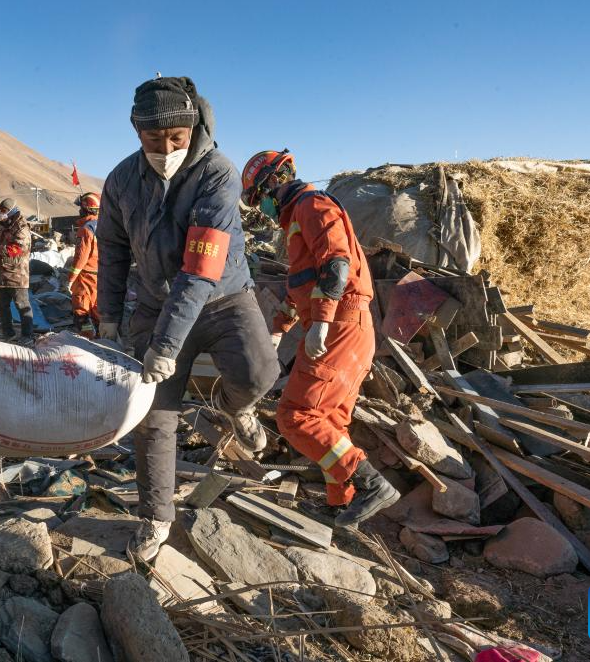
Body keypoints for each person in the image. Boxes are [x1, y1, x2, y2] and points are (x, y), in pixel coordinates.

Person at [97, 77, 279, 561]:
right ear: (137, 133)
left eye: (176, 137)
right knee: (154, 416)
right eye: (153, 140)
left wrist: (167, 346)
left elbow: (201, 268)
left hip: (223, 298)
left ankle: (236, 407)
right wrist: (110, 319)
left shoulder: (218, 173)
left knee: (261, 373)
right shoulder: (120, 180)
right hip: (155, 305)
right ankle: (155, 517)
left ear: (193, 125)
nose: (166, 148)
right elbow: (112, 254)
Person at [241, 149, 400, 526]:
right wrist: (281, 327)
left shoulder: (311, 206)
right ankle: (338, 503)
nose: (260, 206)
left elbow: (336, 263)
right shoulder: (297, 218)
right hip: (350, 328)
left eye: (257, 197)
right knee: (330, 421)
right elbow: (304, 284)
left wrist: (322, 323)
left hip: (340, 326)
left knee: (295, 415)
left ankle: (371, 483)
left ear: (272, 183)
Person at [0, 198, 33, 343]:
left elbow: (18, 249)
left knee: (22, 306)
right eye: (1, 211)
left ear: (12, 211)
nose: (1, 214)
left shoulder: (21, 227)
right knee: (2, 307)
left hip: (16, 275)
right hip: (0, 275)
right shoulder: (4, 226)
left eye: (4, 211)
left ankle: (27, 336)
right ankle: (8, 334)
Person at [68, 192, 100, 338]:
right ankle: (103, 340)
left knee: (82, 310)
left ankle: (88, 338)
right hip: (101, 275)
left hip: (86, 277)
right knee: (98, 310)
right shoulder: (104, 226)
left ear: (86, 208)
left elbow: (81, 257)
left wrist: (71, 279)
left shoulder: (86, 229)